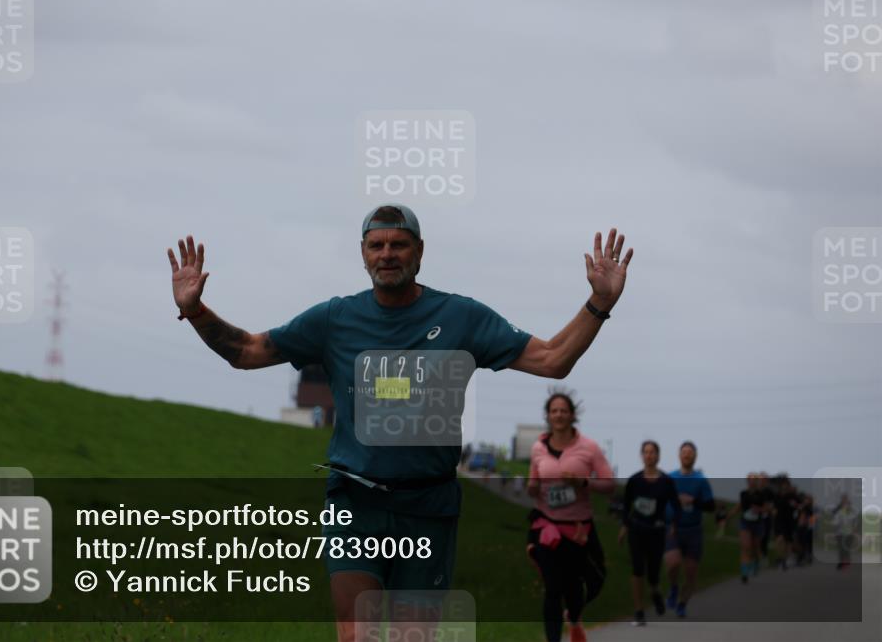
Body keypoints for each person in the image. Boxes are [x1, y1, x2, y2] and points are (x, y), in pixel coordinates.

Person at [167, 204, 634, 642]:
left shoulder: (461, 317)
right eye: (377, 245)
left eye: (399, 244)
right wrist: (195, 311)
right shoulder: (336, 319)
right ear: (364, 253)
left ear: (420, 251)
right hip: (354, 500)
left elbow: (553, 360)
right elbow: (248, 352)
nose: (387, 254)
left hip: (427, 507)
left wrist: (598, 303)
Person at [527, 391, 615, 642]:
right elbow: (533, 482)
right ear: (548, 416)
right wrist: (532, 487)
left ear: (573, 415)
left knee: (585, 586)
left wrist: (583, 482)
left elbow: (609, 485)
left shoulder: (589, 448)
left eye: (563, 410)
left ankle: (574, 617)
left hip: (579, 531)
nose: (558, 415)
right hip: (547, 527)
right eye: (554, 411)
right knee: (553, 589)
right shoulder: (538, 448)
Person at [618, 441, 681, 627]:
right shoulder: (634, 480)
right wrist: (624, 527)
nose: (649, 455)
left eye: (652, 452)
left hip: (657, 530)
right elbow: (626, 505)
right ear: (641, 456)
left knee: (653, 572)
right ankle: (638, 611)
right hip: (637, 529)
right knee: (638, 569)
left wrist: (674, 525)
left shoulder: (666, 482)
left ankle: (655, 591)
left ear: (658, 456)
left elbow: (676, 506)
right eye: (646, 452)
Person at [663, 440, 714, 618]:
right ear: (679, 455)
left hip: (694, 530)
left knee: (691, 574)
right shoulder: (670, 478)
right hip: (673, 529)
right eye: (684, 452)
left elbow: (711, 506)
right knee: (673, 563)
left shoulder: (700, 480)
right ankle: (673, 587)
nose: (687, 455)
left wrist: (693, 501)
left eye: (690, 452)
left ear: (695, 456)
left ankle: (682, 604)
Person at [728, 473, 766, 583]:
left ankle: (755, 564)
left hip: (757, 523)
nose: (752, 482)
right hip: (745, 523)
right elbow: (739, 506)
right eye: (750, 480)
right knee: (746, 547)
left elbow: (766, 508)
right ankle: (744, 573)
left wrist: (759, 509)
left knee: (755, 548)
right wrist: (728, 516)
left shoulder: (761, 494)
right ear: (747, 481)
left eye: (754, 480)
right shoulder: (743, 493)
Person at [771, 476, 800, 570]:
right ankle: (781, 558)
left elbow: (799, 506)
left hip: (789, 521)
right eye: (783, 485)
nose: (784, 486)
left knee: (787, 541)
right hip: (778, 520)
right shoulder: (777, 495)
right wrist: (773, 512)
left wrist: (796, 506)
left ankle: (785, 559)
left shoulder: (792, 496)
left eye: (786, 484)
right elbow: (774, 507)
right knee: (779, 540)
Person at [832, 494, 857, 570]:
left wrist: (854, 531)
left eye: (847, 503)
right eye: (844, 502)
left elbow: (855, 522)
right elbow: (835, 522)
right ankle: (842, 562)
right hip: (840, 533)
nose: (846, 504)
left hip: (849, 533)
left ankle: (846, 562)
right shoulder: (839, 511)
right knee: (841, 548)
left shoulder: (852, 512)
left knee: (847, 548)